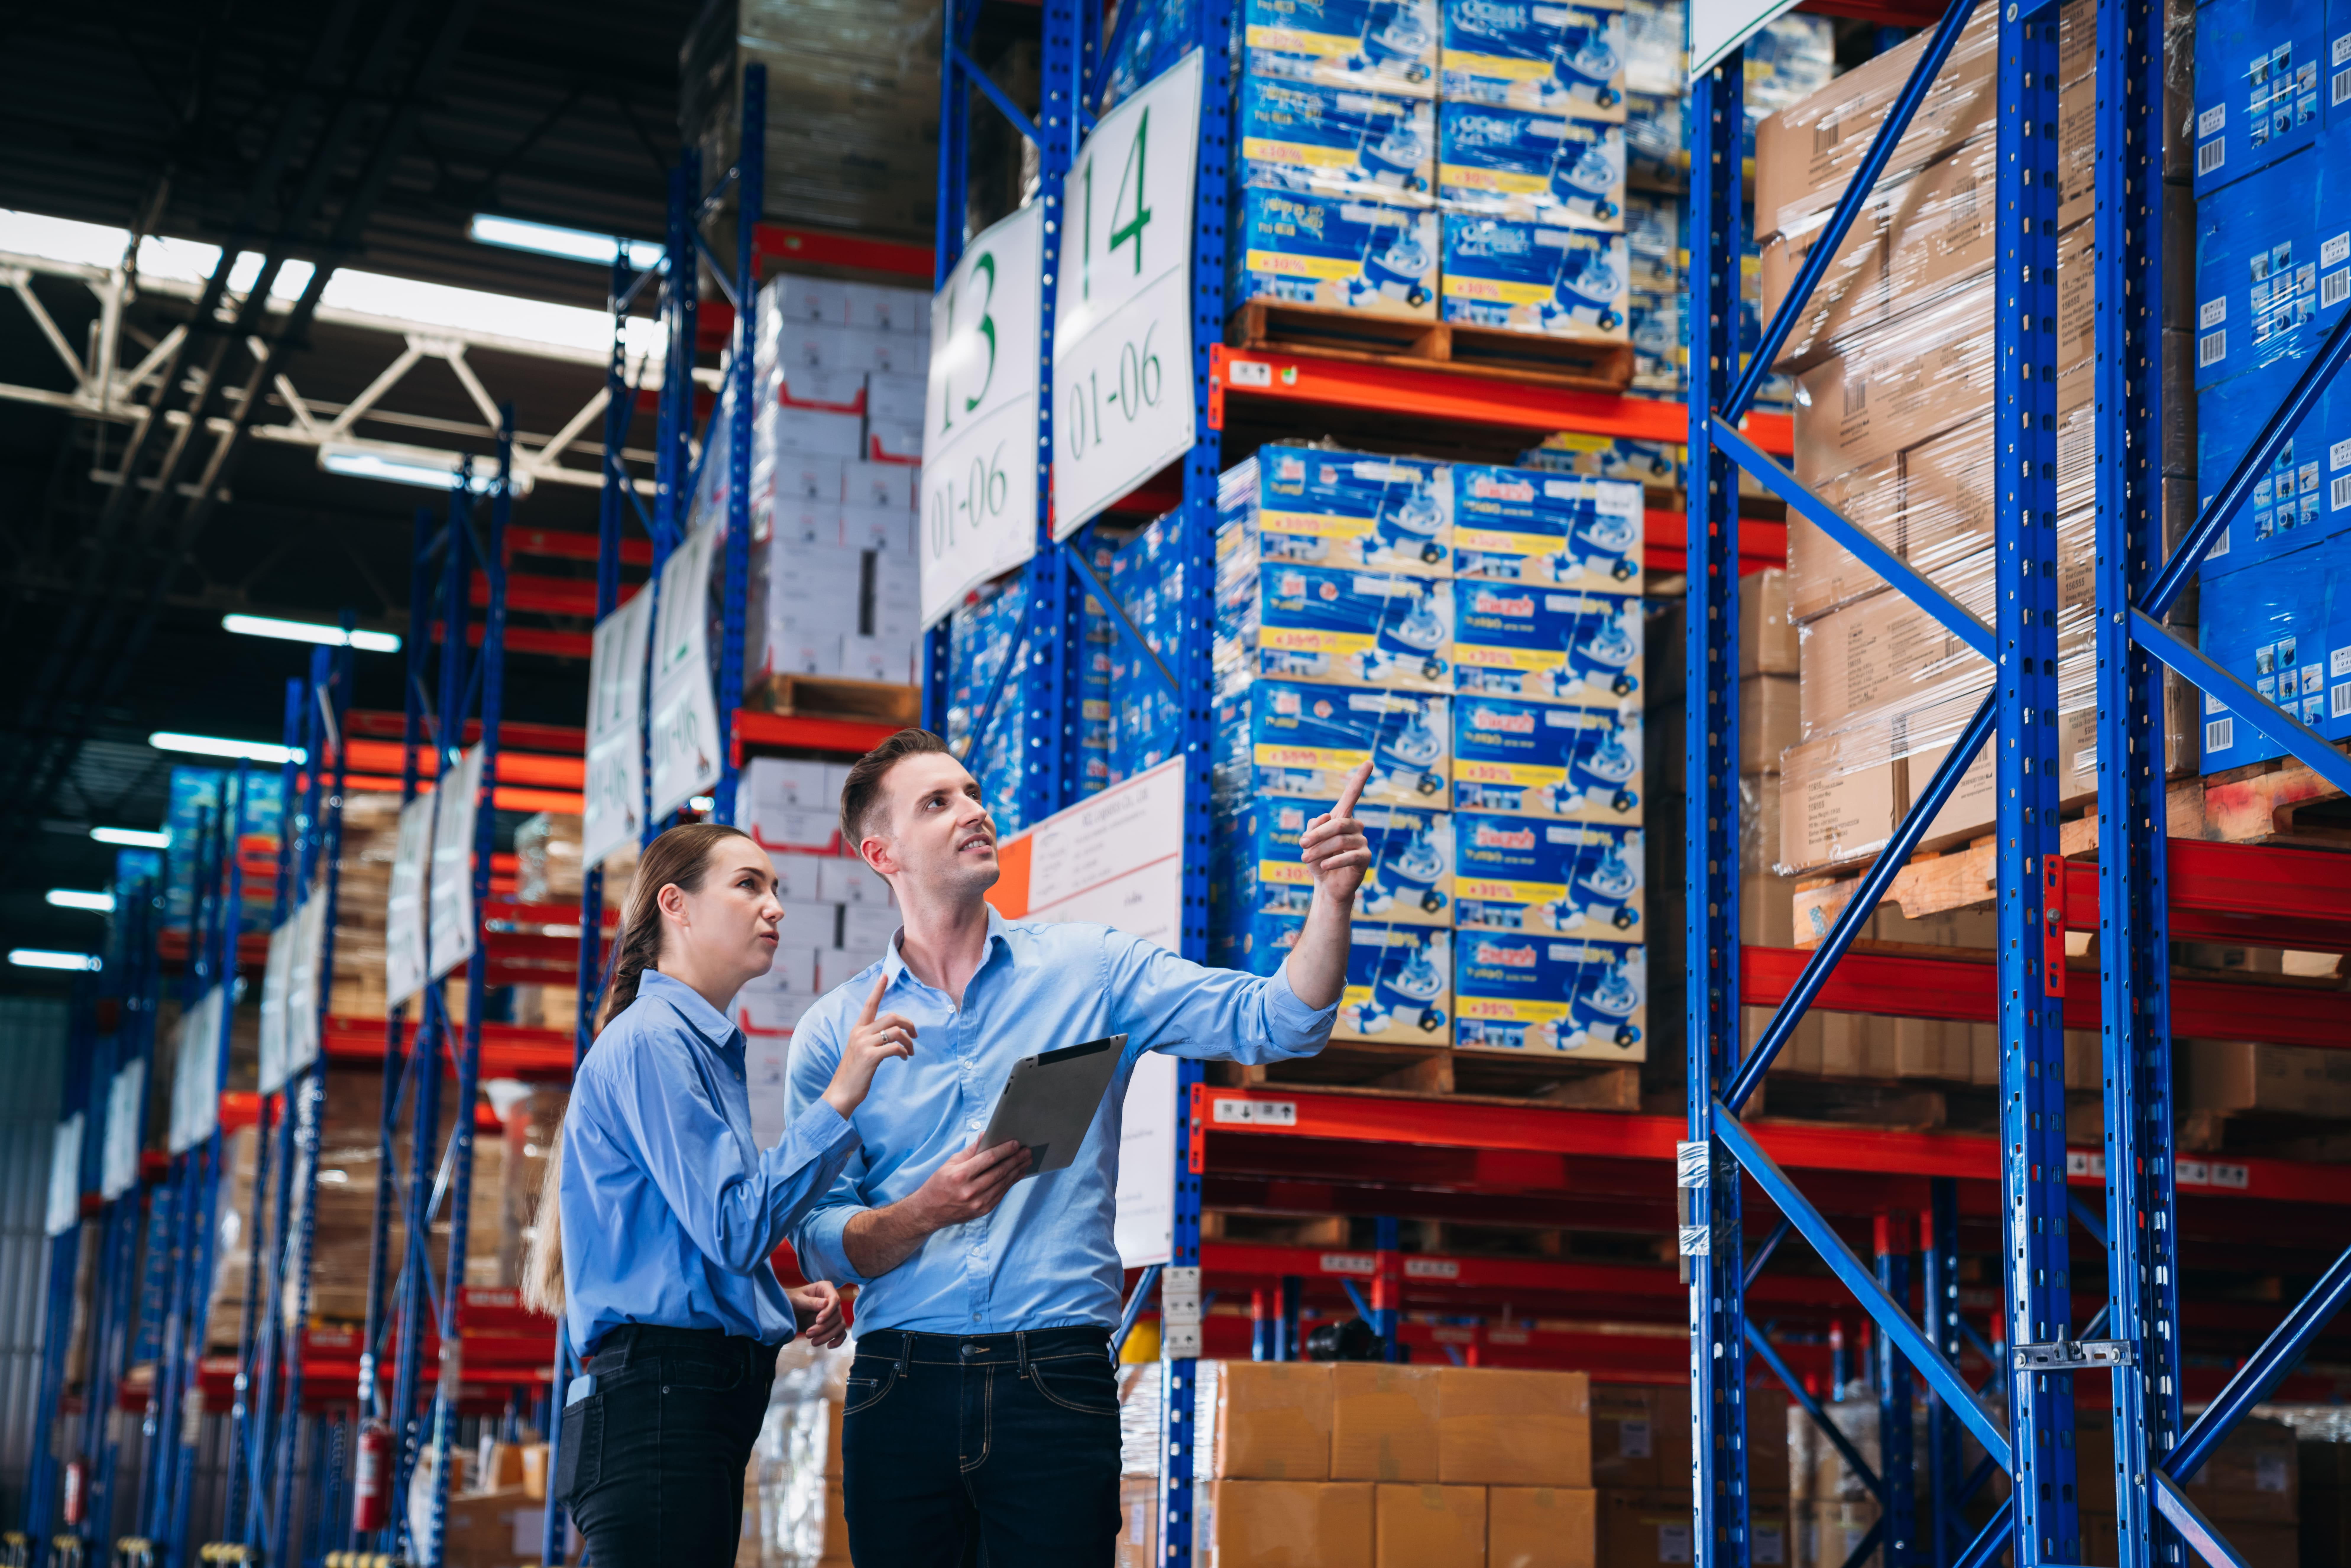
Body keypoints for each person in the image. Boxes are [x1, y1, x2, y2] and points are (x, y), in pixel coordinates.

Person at [783, 728, 1372, 1568]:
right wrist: (922, 1214)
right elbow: (814, 1232)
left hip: (1053, 1377)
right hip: (899, 1383)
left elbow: (1282, 1020)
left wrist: (1334, 897)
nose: (974, 813)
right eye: (938, 803)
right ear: (882, 853)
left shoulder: (1090, 971)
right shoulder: (832, 1034)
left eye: (973, 793)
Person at [519, 821, 908, 1568]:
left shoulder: (687, 1045)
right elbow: (734, 1225)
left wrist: (766, 1303)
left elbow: (687, 1238)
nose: (775, 908)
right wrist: (840, 1101)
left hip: (671, 1407)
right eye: (748, 885)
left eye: (775, 888)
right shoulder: (655, 1041)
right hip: (661, 1411)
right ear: (677, 905)